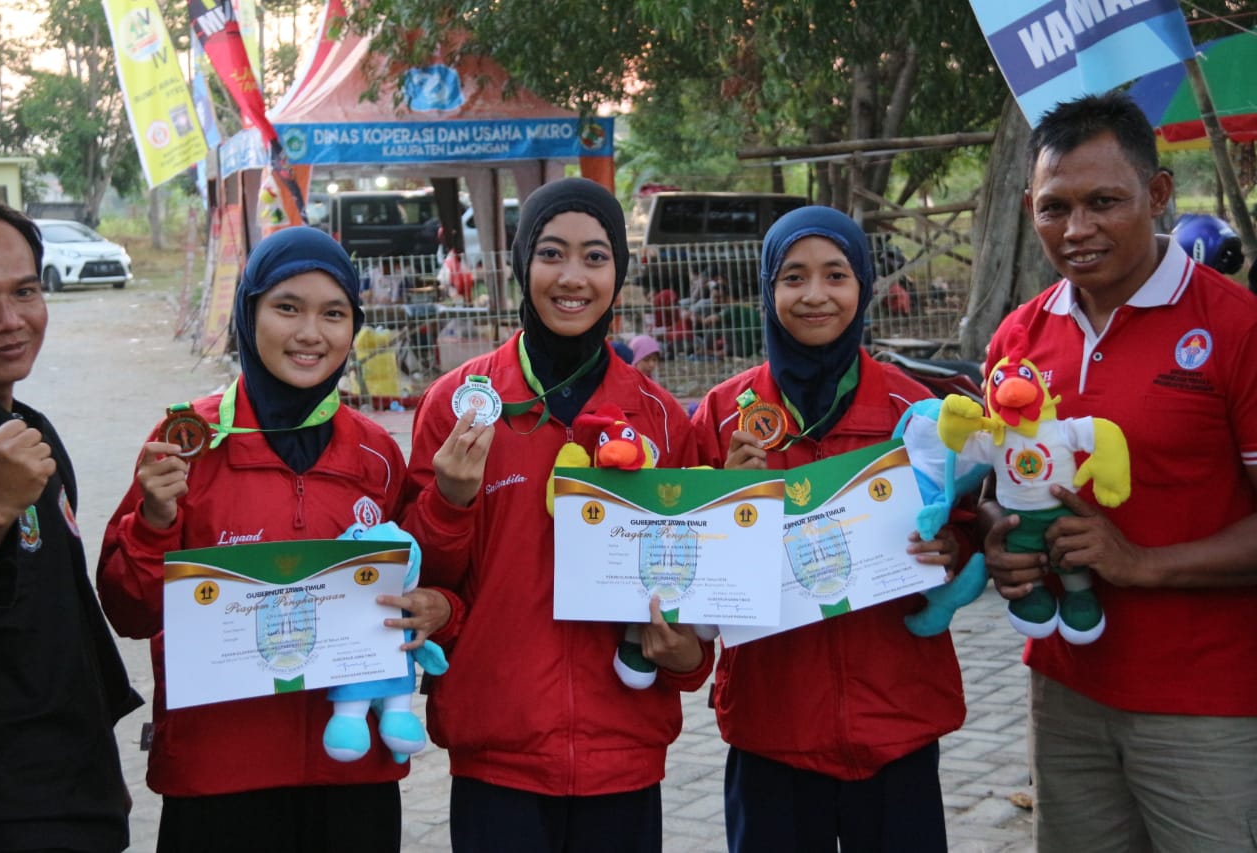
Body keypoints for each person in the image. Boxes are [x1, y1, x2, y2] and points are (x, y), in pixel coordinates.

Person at [96, 226, 450, 853]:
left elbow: (422, 578)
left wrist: (433, 609)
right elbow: (128, 611)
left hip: (351, 777)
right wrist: (153, 521)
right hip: (218, 781)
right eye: (287, 307)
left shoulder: (375, 453)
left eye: (333, 313)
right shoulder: (188, 442)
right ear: (248, 310)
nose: (311, 333)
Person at [981, 92, 1257, 851]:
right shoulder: (1017, 336)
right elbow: (998, 492)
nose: (1077, 230)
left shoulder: (1236, 327)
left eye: (1104, 202)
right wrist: (998, 539)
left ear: (1158, 194)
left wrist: (1144, 564)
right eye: (1054, 207)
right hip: (1063, 692)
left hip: (1209, 705)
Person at [402, 177, 712, 852]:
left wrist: (688, 658)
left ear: (618, 273)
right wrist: (449, 500)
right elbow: (428, 582)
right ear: (521, 264)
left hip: (622, 750)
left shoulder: (660, 417)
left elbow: (691, 592)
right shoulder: (459, 405)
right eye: (552, 253)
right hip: (497, 751)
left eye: (595, 257)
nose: (573, 277)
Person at [690, 205, 970, 852]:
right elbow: (692, 565)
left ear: (864, 286)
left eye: (836, 275)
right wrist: (725, 496)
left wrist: (953, 546)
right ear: (768, 288)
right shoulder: (724, 415)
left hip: (896, 723)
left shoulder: (915, 410)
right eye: (793, 277)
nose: (815, 295)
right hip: (773, 730)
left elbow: (962, 524)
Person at [0, 198, 142, 852]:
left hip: (73, 786)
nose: (8, 321)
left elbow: (65, 614)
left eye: (25, 291)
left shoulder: (33, 431)